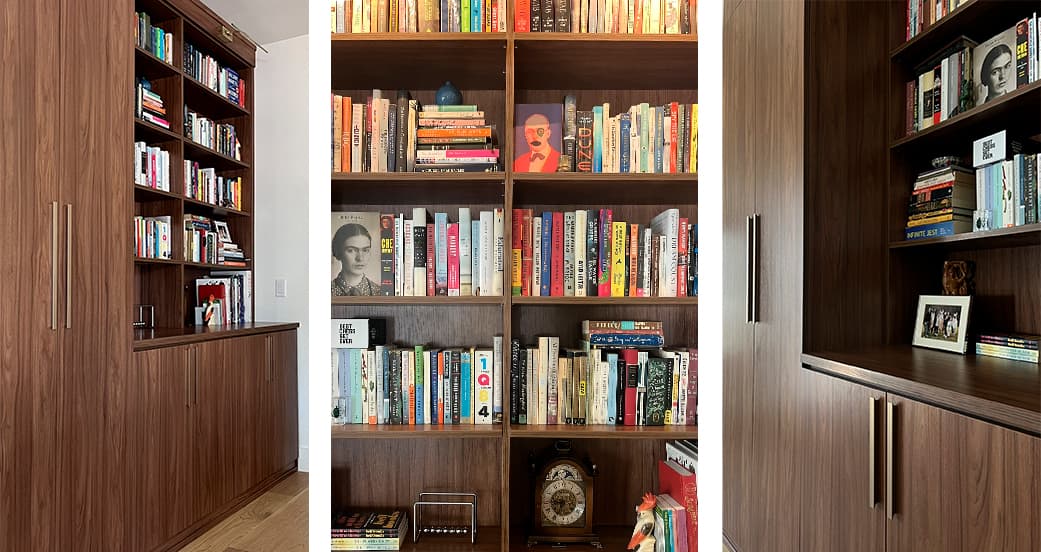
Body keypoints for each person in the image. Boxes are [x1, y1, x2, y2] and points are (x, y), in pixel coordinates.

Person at [331, 223, 380, 296]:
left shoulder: (379, 292)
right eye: (351, 250)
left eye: (365, 250)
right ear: (338, 252)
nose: (360, 258)